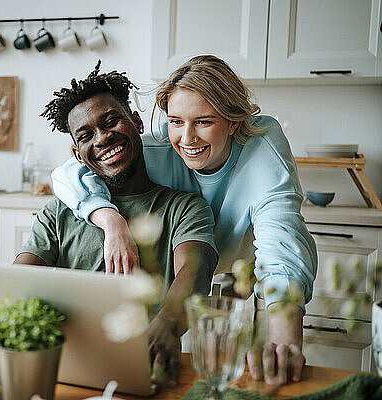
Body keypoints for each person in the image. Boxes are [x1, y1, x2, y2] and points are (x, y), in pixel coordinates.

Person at [0, 63, 218, 388]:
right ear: (77, 153)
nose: (102, 138)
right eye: (86, 136)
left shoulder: (185, 207)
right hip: (59, 372)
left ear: (136, 121)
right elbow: (17, 284)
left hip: (146, 369)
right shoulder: (56, 213)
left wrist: (166, 327)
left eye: (111, 121)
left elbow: (194, 271)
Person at [51, 55, 317, 385]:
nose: (187, 138)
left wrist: (284, 334)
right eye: (176, 121)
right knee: (198, 367)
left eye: (204, 122)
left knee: (248, 368)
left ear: (233, 121)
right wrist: (112, 221)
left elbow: (282, 242)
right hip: (195, 262)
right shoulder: (160, 144)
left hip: (247, 271)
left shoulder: (262, 146)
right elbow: (67, 172)